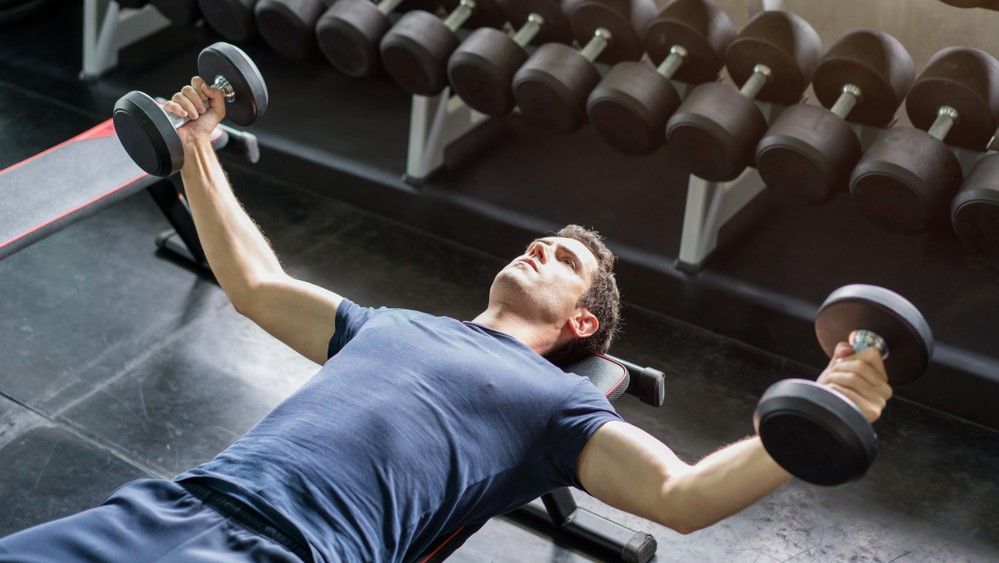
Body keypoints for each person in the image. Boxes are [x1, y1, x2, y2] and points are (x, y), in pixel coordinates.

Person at [0, 78, 893, 563]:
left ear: (583, 324)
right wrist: (196, 149)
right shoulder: (393, 323)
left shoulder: (558, 403)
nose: (540, 248)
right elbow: (253, 281)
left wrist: (830, 402)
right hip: (170, 503)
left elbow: (680, 498)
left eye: (564, 259)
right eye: (541, 240)